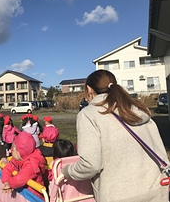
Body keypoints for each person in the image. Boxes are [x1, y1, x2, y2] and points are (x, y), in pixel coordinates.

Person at [61, 69, 169, 202]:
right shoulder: (138, 109)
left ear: (89, 89)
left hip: (119, 194)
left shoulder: (89, 114)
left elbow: (90, 165)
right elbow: (159, 148)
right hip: (157, 191)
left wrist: (67, 171)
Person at [0, 132, 46, 199]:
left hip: (34, 196)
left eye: (12, 149)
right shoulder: (18, 160)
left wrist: (10, 184)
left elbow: (20, 179)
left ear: (19, 151)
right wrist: (6, 181)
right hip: (24, 195)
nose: (11, 151)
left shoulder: (32, 163)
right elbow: (7, 168)